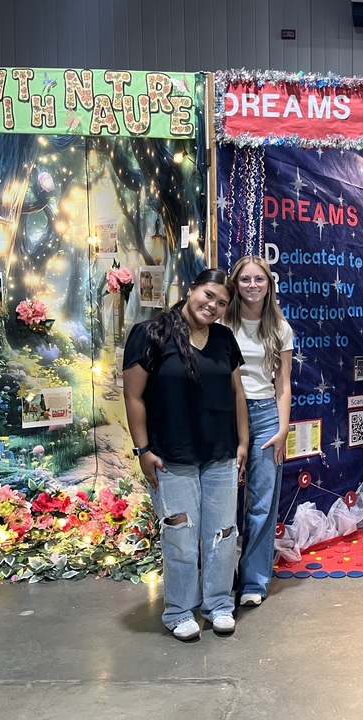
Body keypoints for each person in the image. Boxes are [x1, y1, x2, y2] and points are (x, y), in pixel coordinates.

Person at [123, 269, 249, 641]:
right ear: (191, 289)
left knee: (224, 534)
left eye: (222, 303)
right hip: (171, 456)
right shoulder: (149, 334)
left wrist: (242, 443)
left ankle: (219, 605)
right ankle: (179, 610)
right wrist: (142, 449)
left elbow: (237, 394)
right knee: (179, 536)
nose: (213, 306)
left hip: (220, 455)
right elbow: (133, 397)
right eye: (208, 296)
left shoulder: (224, 339)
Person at [223, 255, 294, 608]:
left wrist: (282, 430)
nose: (252, 286)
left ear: (269, 284)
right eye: (245, 280)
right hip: (226, 414)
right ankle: (221, 577)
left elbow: (283, 385)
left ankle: (253, 580)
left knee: (262, 502)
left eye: (259, 279)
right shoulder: (222, 322)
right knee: (223, 501)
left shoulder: (280, 328)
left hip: (266, 414)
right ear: (235, 284)